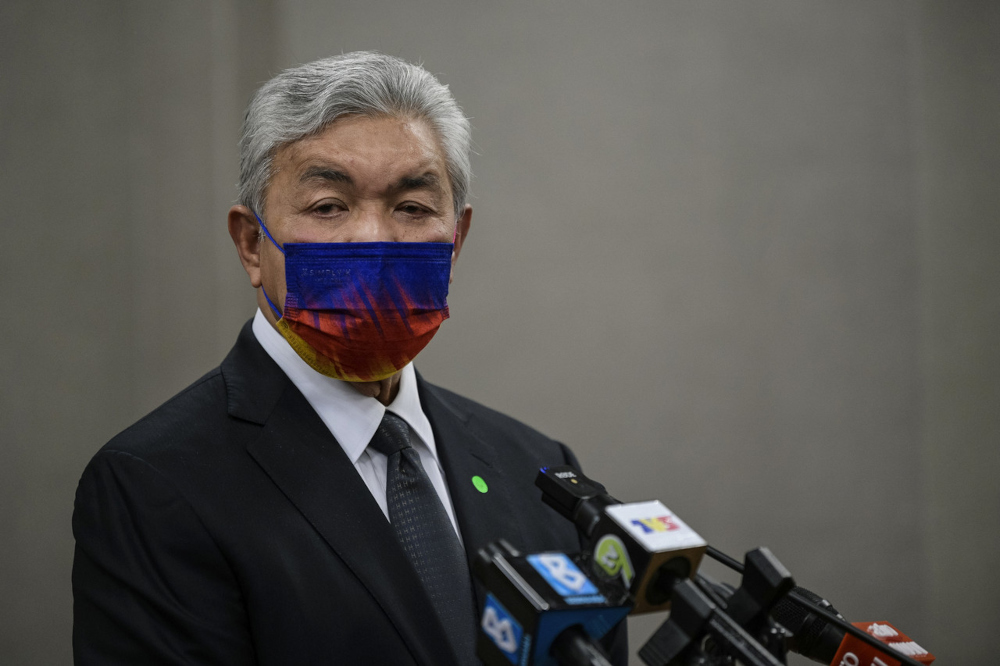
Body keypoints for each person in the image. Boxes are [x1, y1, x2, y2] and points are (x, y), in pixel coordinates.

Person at [71, 52, 627, 665]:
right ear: (252, 243)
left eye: (412, 208)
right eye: (329, 206)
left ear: (456, 240)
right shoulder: (153, 484)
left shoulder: (540, 471)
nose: (374, 239)